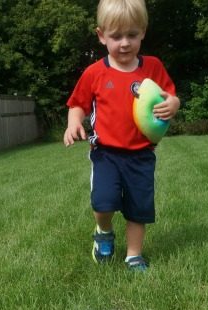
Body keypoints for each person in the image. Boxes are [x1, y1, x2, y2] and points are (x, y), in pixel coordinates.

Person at [64, 0, 180, 271]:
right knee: (103, 203)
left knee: (138, 209)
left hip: (141, 154)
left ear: (143, 32)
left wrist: (173, 104)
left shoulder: (152, 68)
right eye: (116, 36)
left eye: (132, 34)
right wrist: (73, 124)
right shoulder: (95, 72)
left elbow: (170, 96)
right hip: (106, 153)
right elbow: (77, 104)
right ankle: (104, 233)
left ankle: (134, 255)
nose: (124, 43)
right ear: (101, 35)